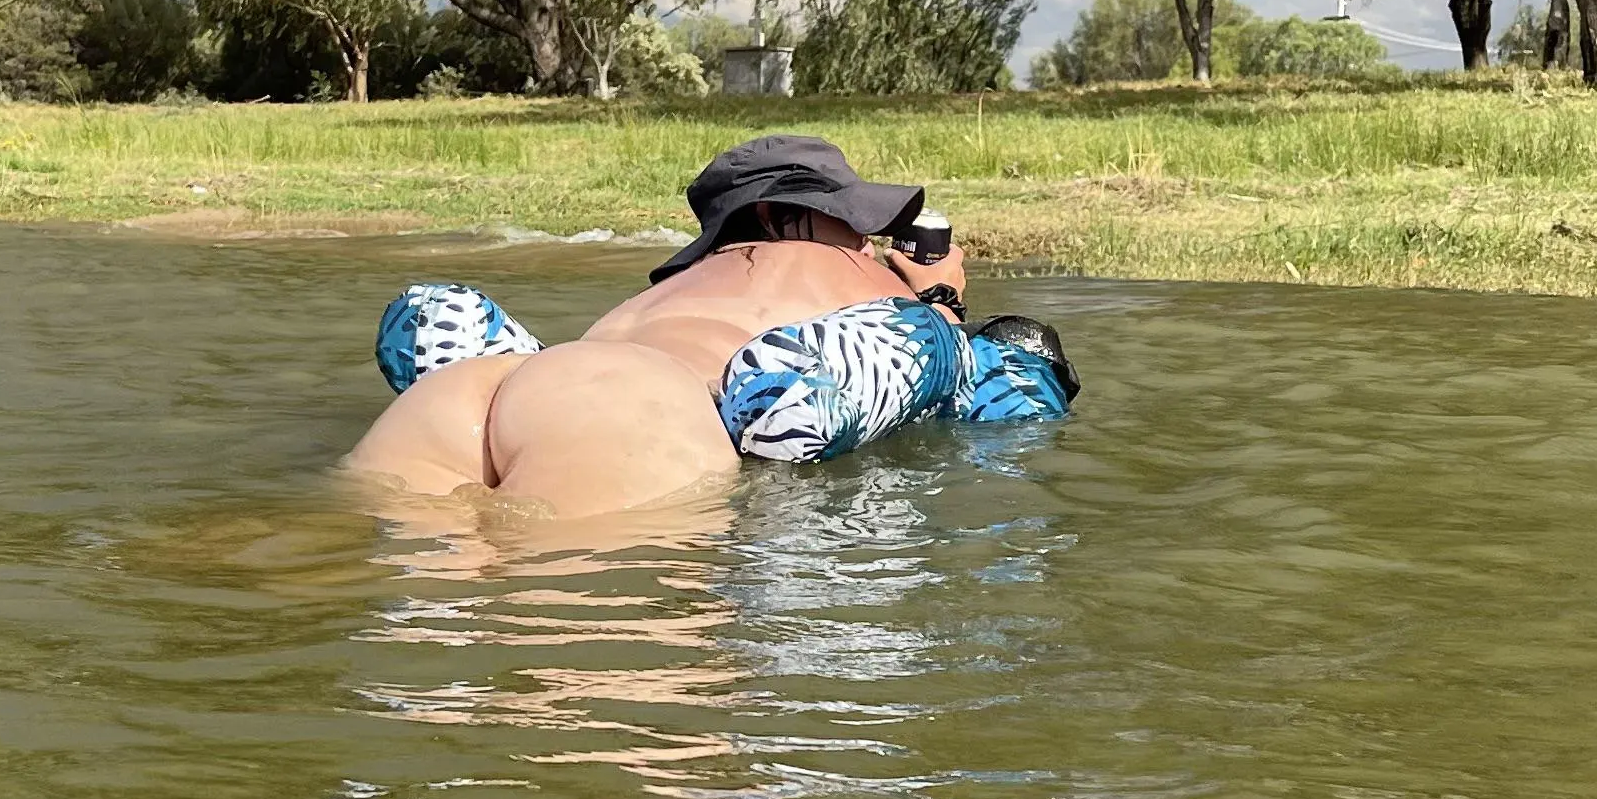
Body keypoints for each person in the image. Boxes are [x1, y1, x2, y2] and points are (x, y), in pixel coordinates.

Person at [344, 131, 1068, 520]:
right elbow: (999, 388)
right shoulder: (856, 278)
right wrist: (940, 299)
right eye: (852, 219)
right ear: (788, 216)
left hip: (478, 390)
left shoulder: (666, 293)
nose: (866, 240)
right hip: (636, 416)